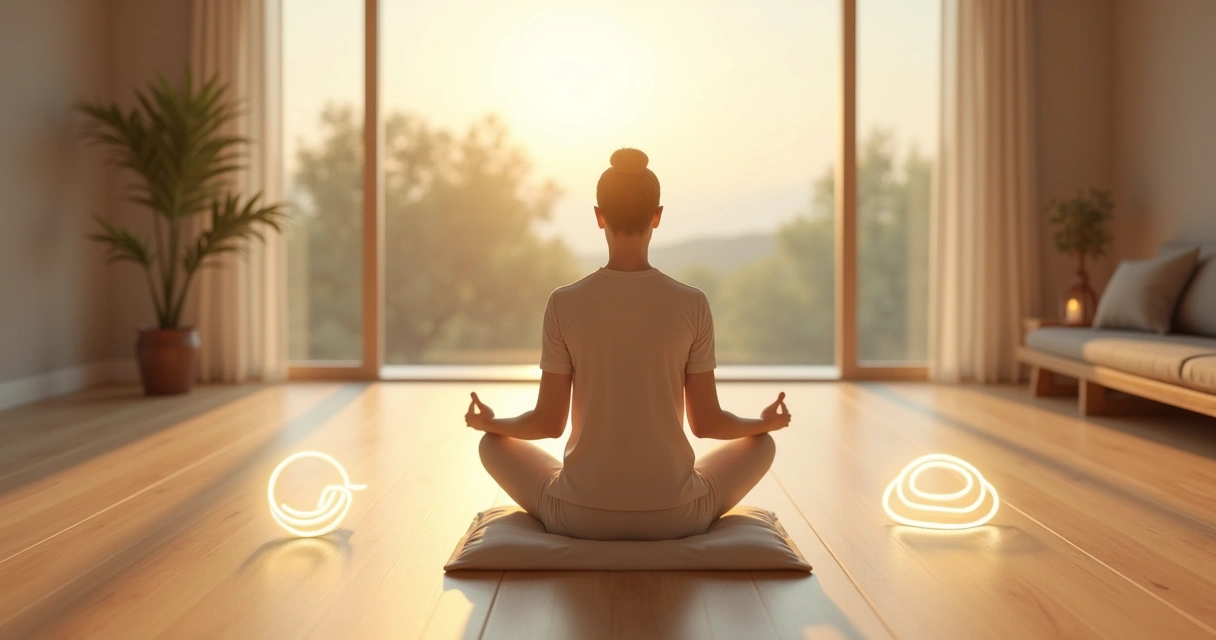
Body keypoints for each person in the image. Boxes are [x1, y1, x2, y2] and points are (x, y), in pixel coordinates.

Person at [464, 148, 791, 541]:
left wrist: (490, 423)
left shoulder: (564, 302)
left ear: (599, 215)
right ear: (658, 215)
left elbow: (548, 424)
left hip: (578, 516)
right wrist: (764, 423)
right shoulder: (692, 303)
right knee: (762, 446)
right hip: (677, 517)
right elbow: (706, 424)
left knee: (491, 446)